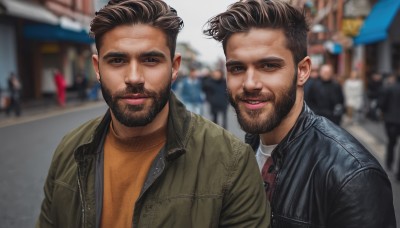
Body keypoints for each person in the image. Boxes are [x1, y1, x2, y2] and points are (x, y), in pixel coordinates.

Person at [36, 1, 270, 227]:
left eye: (150, 60)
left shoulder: (232, 161)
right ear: (97, 68)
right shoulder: (70, 150)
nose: (134, 77)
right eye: (117, 60)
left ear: (174, 66)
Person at [204, 0, 396, 227]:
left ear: (303, 71)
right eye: (237, 68)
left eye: (268, 66)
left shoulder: (352, 176)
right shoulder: (251, 146)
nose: (250, 83)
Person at [378, 73, 400, 181]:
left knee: (391, 143)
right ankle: (398, 173)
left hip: (391, 120)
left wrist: (383, 112)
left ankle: (389, 164)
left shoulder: (389, 88)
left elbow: (381, 104)